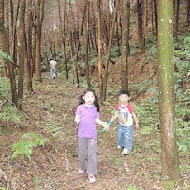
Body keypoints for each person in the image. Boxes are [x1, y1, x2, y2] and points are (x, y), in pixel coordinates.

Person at [74, 88, 108, 183]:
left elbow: (96, 120)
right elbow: (77, 116)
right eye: (88, 96)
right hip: (82, 134)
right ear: (83, 98)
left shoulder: (95, 109)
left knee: (92, 154)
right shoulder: (80, 108)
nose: (90, 98)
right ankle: (82, 167)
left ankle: (91, 172)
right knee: (81, 152)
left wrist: (103, 124)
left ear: (95, 98)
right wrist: (77, 119)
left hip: (92, 135)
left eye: (92, 96)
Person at [108, 90, 140, 155]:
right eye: (122, 97)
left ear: (128, 98)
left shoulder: (129, 106)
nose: (123, 99)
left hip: (128, 126)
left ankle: (127, 148)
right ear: (119, 98)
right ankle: (121, 144)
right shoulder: (118, 105)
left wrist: (136, 122)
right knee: (120, 135)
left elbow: (133, 114)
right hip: (121, 125)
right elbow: (117, 112)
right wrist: (113, 118)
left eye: (125, 97)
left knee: (128, 137)